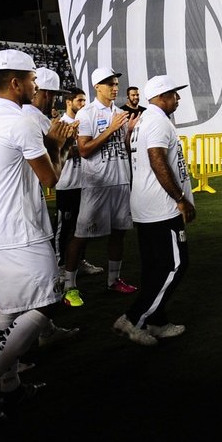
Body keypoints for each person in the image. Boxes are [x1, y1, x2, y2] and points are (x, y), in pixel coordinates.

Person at [0, 49, 79, 419]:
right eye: (31, 80)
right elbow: (50, 178)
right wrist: (57, 144)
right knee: (46, 302)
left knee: (7, 310)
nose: (34, 86)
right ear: (15, 83)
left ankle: (10, 388)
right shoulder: (21, 122)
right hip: (17, 228)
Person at [113, 75, 194, 345]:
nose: (178, 99)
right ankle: (134, 319)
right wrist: (180, 198)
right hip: (161, 207)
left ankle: (157, 320)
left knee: (154, 267)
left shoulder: (146, 120)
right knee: (175, 264)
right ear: (161, 97)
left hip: (145, 204)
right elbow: (157, 159)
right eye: (174, 94)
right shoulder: (157, 120)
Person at [62, 67, 138, 307]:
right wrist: (112, 129)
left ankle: (114, 280)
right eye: (110, 84)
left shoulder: (120, 112)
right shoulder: (86, 114)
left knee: (119, 233)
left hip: (121, 180)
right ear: (97, 87)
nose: (115, 88)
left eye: (116, 84)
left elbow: (122, 147)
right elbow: (84, 150)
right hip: (97, 183)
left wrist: (128, 134)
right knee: (81, 236)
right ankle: (69, 286)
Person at [52, 87, 103, 273]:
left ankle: (80, 261)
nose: (83, 104)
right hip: (67, 184)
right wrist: (82, 147)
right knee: (64, 229)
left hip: (86, 184)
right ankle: (59, 265)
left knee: (84, 226)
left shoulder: (86, 122)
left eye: (84, 101)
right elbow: (56, 152)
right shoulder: (60, 125)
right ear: (68, 102)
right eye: (79, 101)